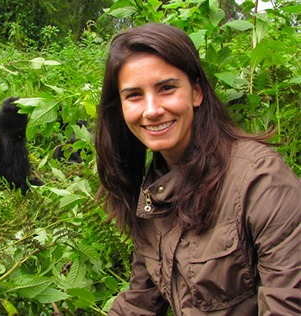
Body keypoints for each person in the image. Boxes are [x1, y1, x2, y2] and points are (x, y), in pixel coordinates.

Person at [95, 23, 301, 315]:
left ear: (196, 92)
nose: (151, 110)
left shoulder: (262, 182)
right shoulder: (155, 190)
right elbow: (139, 302)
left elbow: (288, 307)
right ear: (120, 107)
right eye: (134, 96)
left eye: (166, 88)